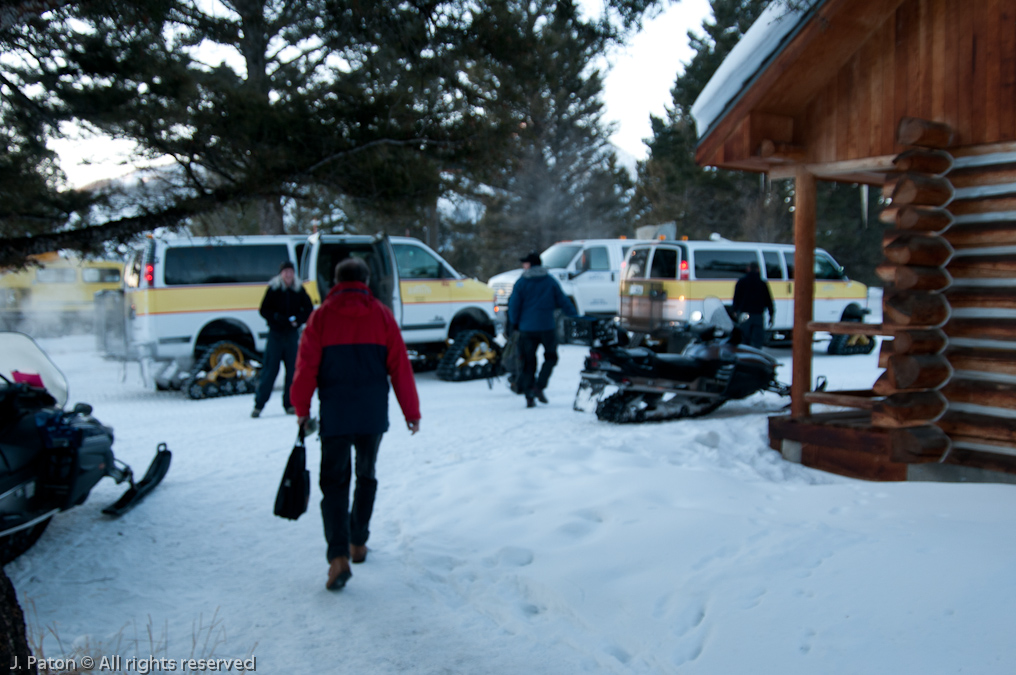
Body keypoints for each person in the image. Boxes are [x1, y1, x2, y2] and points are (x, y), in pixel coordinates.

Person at [290, 257, 421, 591]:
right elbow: (400, 368)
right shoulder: (382, 315)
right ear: (367, 280)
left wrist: (301, 408)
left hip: (335, 413)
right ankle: (358, 543)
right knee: (366, 474)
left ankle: (338, 558)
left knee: (334, 484)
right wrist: (411, 412)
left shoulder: (320, 317)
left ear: (335, 280)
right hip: (372, 415)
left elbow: (305, 367)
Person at [507, 251, 578, 408]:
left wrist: (514, 323)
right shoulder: (550, 281)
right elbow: (563, 300)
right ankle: (539, 386)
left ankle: (529, 395)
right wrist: (574, 316)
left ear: (530, 264)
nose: (523, 265)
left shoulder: (521, 282)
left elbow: (514, 305)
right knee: (551, 358)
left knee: (528, 362)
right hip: (547, 327)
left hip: (526, 329)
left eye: (525, 263)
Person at [252, 261, 313, 418]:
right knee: (270, 370)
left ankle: (290, 404)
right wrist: (276, 318)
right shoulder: (274, 289)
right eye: (285, 272)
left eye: (290, 272)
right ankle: (259, 404)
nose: (288, 275)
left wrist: (298, 320)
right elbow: (264, 310)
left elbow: (308, 309)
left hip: (292, 334)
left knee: (293, 371)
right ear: (281, 274)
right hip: (276, 334)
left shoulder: (298, 290)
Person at [731, 261, 774, 349]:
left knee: (744, 339)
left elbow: (736, 299)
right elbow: (768, 301)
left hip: (744, 315)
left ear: (748, 269)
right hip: (758, 315)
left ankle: (744, 357)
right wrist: (771, 314)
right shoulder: (762, 284)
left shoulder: (741, 282)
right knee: (757, 340)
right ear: (758, 270)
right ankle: (755, 357)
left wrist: (734, 311)